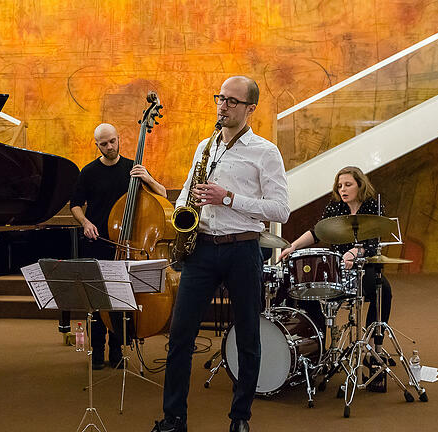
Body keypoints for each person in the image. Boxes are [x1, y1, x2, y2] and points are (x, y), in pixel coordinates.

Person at [151, 76, 289, 432]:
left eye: (231, 101)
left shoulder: (265, 151)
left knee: (247, 337)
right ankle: (173, 418)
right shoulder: (205, 146)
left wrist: (228, 198)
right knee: (180, 336)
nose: (222, 106)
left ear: (250, 109)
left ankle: (240, 418)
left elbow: (280, 211)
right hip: (202, 248)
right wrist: (181, 209)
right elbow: (186, 191)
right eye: (220, 98)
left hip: (243, 249)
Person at [69, 122, 167, 369]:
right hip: (99, 242)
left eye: (113, 141)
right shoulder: (89, 172)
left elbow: (163, 194)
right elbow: (75, 204)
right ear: (97, 145)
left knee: (119, 300)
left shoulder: (132, 168)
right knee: (98, 300)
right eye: (104, 143)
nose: (110, 147)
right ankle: (97, 351)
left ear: (118, 139)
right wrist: (85, 222)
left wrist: (148, 177)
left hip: (130, 245)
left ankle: (116, 351)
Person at [278, 166, 392, 333]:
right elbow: (317, 232)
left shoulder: (373, 206)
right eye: (339, 186)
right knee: (308, 289)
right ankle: (318, 340)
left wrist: (354, 253)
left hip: (364, 266)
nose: (343, 189)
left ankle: (374, 342)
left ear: (360, 185)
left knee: (383, 291)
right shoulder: (335, 206)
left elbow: (373, 243)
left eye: (348, 184)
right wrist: (293, 246)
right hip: (337, 266)